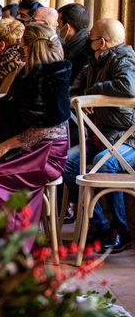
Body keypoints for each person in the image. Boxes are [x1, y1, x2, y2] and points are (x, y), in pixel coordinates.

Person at [0, 24, 71, 250]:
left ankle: (6, 247)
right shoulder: (27, 71)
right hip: (26, 148)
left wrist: (5, 146)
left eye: (23, 47)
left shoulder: (53, 77)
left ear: (33, 47)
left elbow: (43, 129)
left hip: (46, 153)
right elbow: (15, 114)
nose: (20, 50)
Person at [63, 18, 135, 252]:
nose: (87, 41)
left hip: (126, 140)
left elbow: (128, 86)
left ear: (102, 42)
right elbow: (74, 88)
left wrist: (93, 94)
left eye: (90, 38)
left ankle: (121, 232)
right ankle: (101, 227)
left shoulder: (125, 59)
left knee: (104, 163)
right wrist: (81, 97)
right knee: (67, 165)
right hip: (100, 136)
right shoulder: (94, 62)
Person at [57, 3, 90, 82]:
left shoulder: (86, 53)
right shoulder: (72, 46)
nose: (56, 27)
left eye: (58, 23)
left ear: (67, 28)